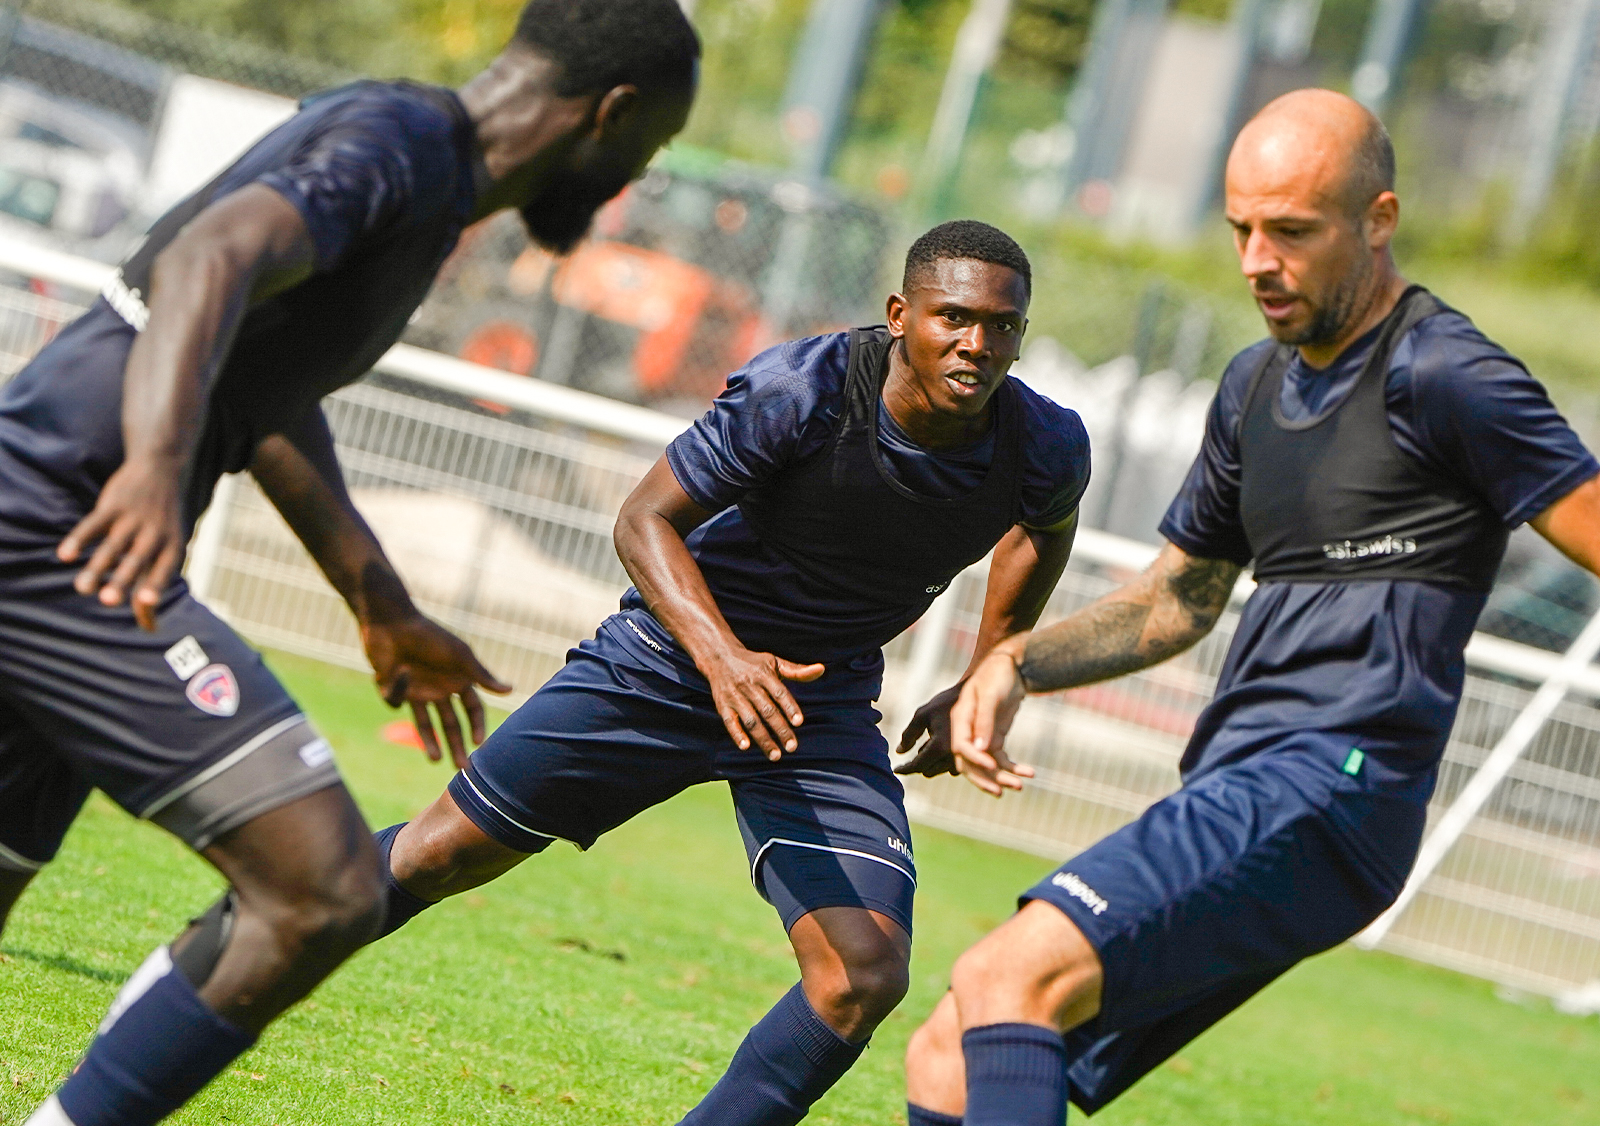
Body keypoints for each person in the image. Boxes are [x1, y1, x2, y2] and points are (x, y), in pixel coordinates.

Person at [7, 0, 699, 1126]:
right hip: (64, 537)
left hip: (58, 525)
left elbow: (265, 392)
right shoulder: (404, 145)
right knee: (324, 887)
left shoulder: (420, 172)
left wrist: (374, 597)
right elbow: (207, 260)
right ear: (610, 111)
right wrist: (143, 465)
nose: (635, 180)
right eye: (650, 149)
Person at [898, 89, 1600, 1126]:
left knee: (1011, 979)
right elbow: (1177, 600)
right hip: (1240, 780)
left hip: (1332, 782)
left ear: (1377, 221)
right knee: (951, 1049)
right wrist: (1014, 662)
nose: (1257, 260)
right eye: (1240, 229)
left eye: (1292, 231)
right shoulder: (1250, 388)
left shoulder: (1449, 374)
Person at [359, 220, 1090, 1125]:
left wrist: (988, 672)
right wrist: (724, 659)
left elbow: (1042, 527)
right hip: (667, 665)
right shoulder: (804, 389)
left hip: (815, 711)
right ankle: (232, 952)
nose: (978, 344)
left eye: (1002, 325)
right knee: (436, 857)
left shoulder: (1045, 443)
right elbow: (642, 521)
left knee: (861, 977)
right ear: (901, 314)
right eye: (953, 318)